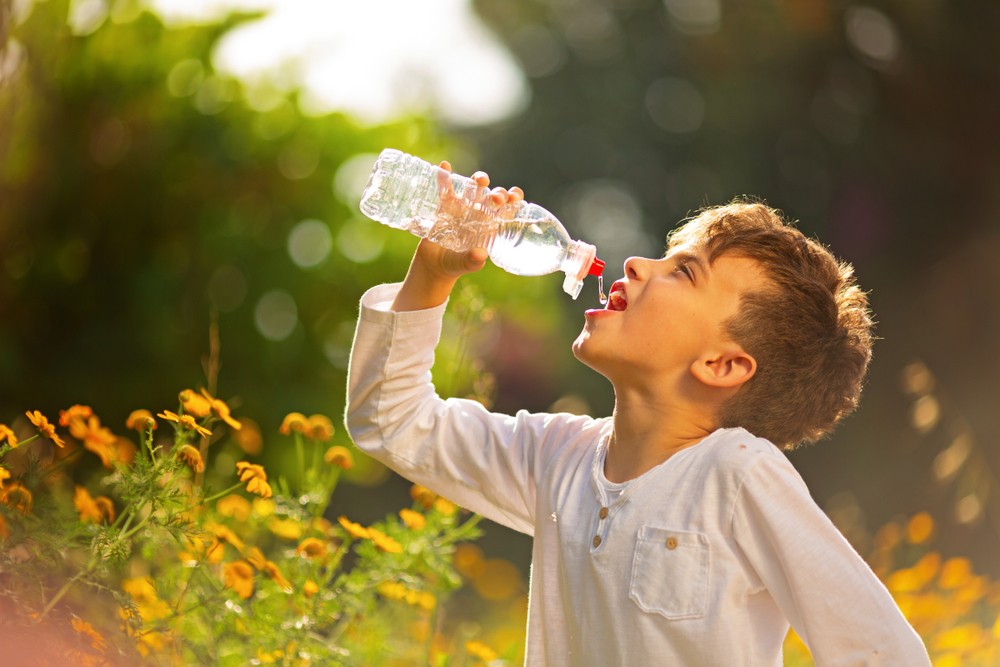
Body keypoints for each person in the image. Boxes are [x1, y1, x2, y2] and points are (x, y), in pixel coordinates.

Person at [345, 165, 930, 666]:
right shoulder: (559, 459)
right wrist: (433, 273)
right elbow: (391, 419)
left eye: (683, 271)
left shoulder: (735, 474)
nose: (634, 265)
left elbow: (883, 652)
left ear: (722, 364)